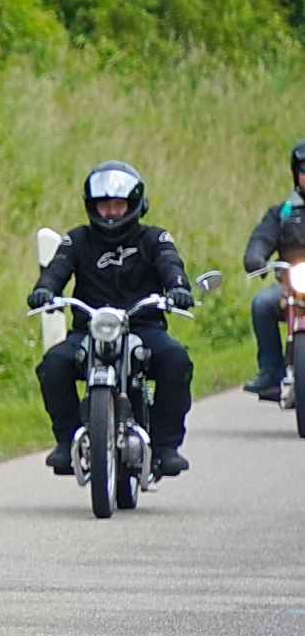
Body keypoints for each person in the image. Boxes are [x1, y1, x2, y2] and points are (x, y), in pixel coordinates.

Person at [27, 161, 195, 476]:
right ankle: (67, 441)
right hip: (91, 329)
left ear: (135, 204)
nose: (111, 213)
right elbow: (57, 269)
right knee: (53, 365)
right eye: (104, 205)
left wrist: (178, 289)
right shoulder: (77, 239)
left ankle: (166, 446)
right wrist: (44, 290)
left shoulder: (155, 238)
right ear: (92, 206)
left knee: (176, 360)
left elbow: (171, 264)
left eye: (118, 205)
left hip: (143, 327)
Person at [241, 139, 305, 401]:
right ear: (296, 174)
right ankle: (271, 374)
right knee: (262, 304)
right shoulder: (282, 213)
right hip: (292, 285)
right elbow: (261, 239)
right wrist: (256, 257)